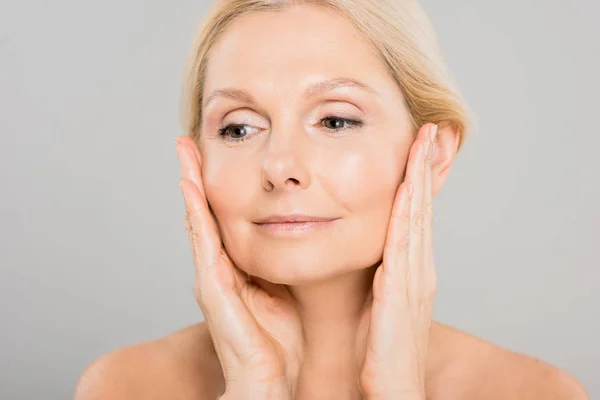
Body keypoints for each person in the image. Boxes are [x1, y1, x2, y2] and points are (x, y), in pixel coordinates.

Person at [75, 1, 590, 399]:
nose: (279, 168)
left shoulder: (534, 393)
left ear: (431, 154)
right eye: (238, 128)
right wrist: (256, 388)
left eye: (335, 120)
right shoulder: (126, 385)